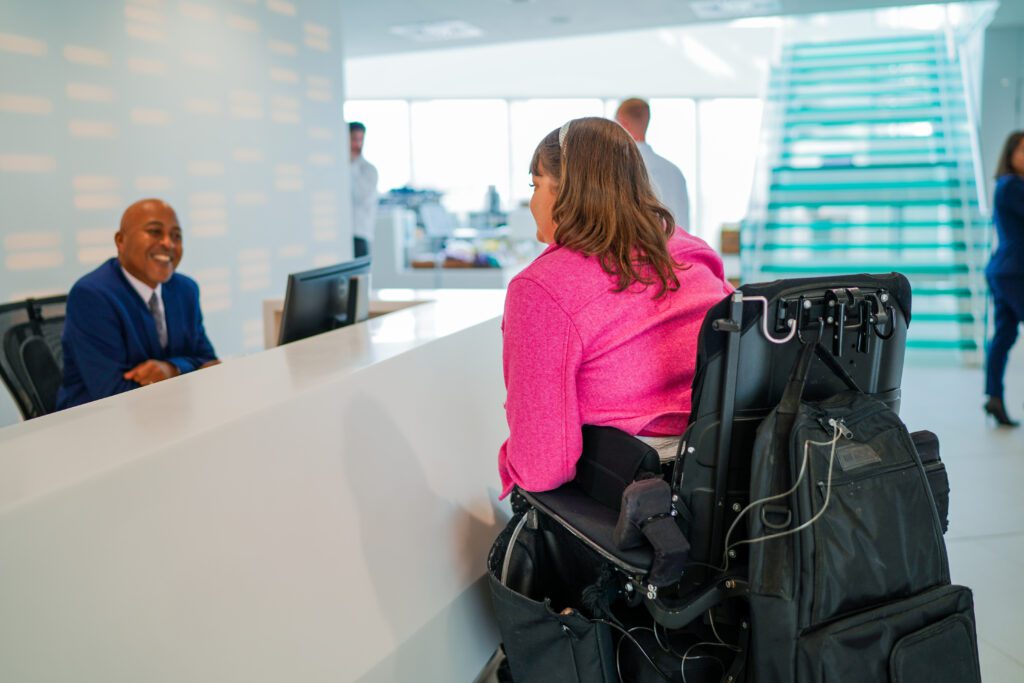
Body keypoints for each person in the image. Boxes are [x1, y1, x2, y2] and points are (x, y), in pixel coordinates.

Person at [498, 117, 732, 496]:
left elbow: (541, 468)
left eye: (535, 184)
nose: (532, 200)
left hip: (625, 496)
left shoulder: (542, 287)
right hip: (721, 485)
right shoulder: (691, 252)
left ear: (567, 190)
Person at [56, 199, 218, 410]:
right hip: (95, 424)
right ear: (120, 241)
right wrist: (188, 369)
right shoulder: (92, 295)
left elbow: (209, 362)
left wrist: (172, 369)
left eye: (176, 236)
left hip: (167, 413)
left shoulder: (186, 290)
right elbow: (112, 393)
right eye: (155, 232)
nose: (168, 243)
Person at [984, 130, 1024, 427]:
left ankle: (994, 398)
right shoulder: (1011, 185)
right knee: (1003, 337)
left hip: (1005, 268)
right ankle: (994, 397)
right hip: (1014, 270)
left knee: (1004, 336)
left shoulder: (1010, 185)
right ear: (1010, 154)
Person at [615, 98, 690, 231]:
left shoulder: (614, 168)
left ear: (623, 123)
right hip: (673, 250)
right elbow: (683, 226)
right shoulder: (674, 172)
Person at [349, 121, 378, 258]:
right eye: (354, 139)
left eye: (360, 140)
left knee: (358, 278)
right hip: (340, 234)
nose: (357, 144)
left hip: (359, 233)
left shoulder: (369, 171)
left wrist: (350, 163)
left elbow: (358, 195)